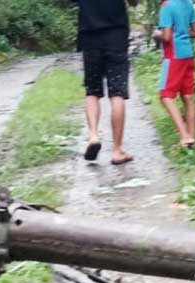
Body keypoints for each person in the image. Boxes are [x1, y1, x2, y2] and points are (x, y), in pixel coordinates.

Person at [77, 0, 138, 165]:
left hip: (90, 37)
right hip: (116, 36)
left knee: (92, 91)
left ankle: (93, 136)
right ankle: (117, 151)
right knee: (117, 92)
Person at [157, 0, 195, 148]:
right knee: (188, 96)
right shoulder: (188, 4)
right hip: (188, 54)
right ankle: (191, 138)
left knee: (165, 95)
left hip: (173, 55)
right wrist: (181, 33)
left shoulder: (166, 6)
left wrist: (158, 34)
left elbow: (167, 37)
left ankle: (184, 136)